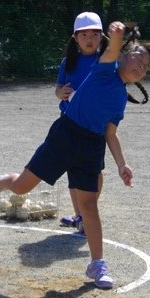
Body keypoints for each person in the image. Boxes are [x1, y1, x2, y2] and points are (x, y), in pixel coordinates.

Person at [0, 20, 150, 288]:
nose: (141, 67)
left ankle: (97, 264)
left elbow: (110, 134)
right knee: (21, 187)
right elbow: (110, 51)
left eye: (146, 66)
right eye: (137, 59)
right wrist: (116, 36)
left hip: (92, 146)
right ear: (122, 56)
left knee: (89, 206)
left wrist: (123, 164)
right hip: (65, 135)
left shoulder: (121, 99)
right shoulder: (104, 70)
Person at [55, 12, 108, 233]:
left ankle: (88, 213)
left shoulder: (104, 63)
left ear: (102, 37)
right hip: (68, 124)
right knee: (73, 170)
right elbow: (58, 89)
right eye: (84, 34)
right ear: (75, 38)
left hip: (94, 127)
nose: (89, 39)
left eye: (94, 34)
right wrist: (60, 92)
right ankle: (79, 216)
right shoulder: (69, 62)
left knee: (93, 172)